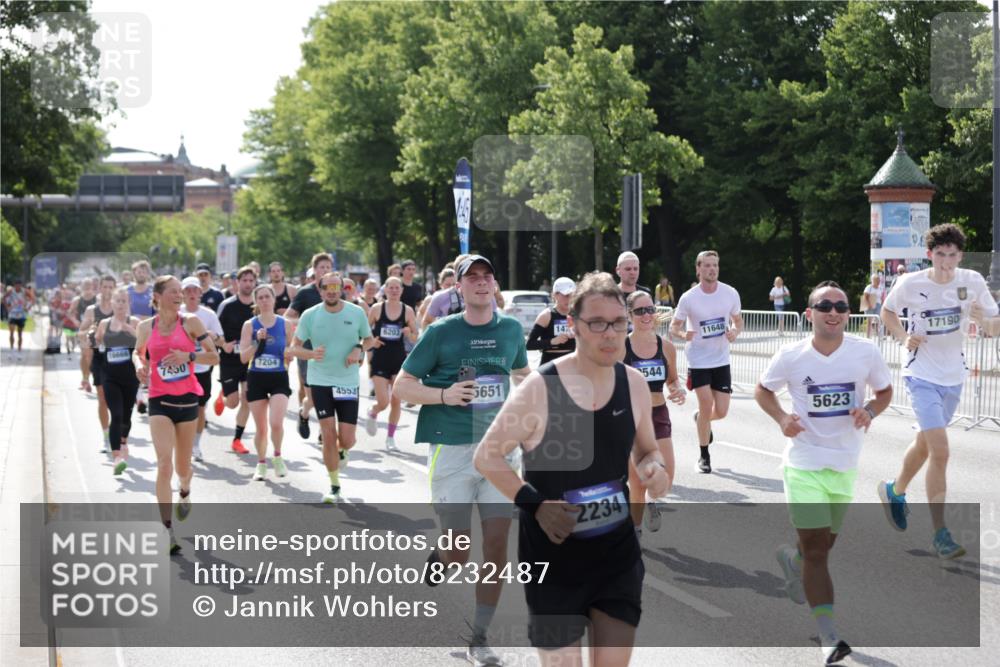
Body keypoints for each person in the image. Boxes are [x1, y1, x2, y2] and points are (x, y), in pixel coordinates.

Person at [474, 271, 670, 666]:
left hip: (616, 552)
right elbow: (488, 456)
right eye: (597, 323)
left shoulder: (632, 383)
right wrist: (537, 505)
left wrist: (656, 468)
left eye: (618, 323)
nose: (610, 334)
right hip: (553, 556)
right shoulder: (540, 389)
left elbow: (647, 449)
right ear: (573, 326)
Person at [393, 255, 529, 667]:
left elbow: (522, 376)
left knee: (496, 547)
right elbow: (402, 386)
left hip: (498, 453)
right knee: (459, 551)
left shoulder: (509, 329)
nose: (482, 283)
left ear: (494, 284)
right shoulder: (441, 332)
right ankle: (443, 557)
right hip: (451, 449)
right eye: (473, 278)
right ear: (459, 288)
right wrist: (444, 395)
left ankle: (480, 636)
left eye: (488, 276)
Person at [756, 280, 892, 666]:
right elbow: (763, 390)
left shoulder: (865, 352)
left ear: (849, 313)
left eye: (841, 306)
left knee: (821, 547)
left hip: (845, 463)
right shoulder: (791, 355)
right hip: (804, 463)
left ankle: (792, 561)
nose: (833, 312)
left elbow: (884, 392)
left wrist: (870, 410)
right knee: (818, 551)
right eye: (825, 305)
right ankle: (829, 635)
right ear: (809, 313)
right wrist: (782, 418)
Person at [878, 223, 1000, 558]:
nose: (946, 261)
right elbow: (887, 311)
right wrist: (904, 338)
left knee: (924, 444)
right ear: (930, 254)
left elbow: (995, 325)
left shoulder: (971, 282)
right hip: (920, 375)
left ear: (960, 256)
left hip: (953, 377)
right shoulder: (911, 283)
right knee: (940, 451)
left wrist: (983, 318)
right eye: (940, 254)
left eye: (952, 255)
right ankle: (941, 534)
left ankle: (894, 490)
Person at [133, 276, 218, 554]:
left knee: (182, 468)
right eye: (173, 292)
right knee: (163, 464)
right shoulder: (147, 327)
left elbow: (214, 356)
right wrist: (139, 365)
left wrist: (188, 357)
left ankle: (184, 489)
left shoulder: (190, 322)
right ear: (157, 296)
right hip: (159, 400)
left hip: (187, 401)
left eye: (181, 292)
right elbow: (138, 353)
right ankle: (166, 528)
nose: (179, 295)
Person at [289, 271, 374, 503]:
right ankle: (334, 485)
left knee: (347, 439)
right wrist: (310, 353)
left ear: (342, 290)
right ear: (320, 290)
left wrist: (359, 348)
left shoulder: (355, 313)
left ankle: (343, 450)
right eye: (328, 287)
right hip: (321, 380)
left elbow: (369, 339)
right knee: (328, 435)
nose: (332, 291)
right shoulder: (310, 315)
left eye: (336, 287)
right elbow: (293, 348)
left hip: (347, 381)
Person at [669, 250, 743, 474]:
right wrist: (683, 335)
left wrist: (734, 332)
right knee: (705, 404)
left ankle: (701, 420)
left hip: (721, 359)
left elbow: (738, 321)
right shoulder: (689, 298)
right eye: (708, 265)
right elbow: (674, 327)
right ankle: (704, 456)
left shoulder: (730, 293)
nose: (712, 269)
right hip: (698, 359)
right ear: (698, 269)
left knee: (721, 411)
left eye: (715, 265)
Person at [622, 290, 684, 534]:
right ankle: (634, 531)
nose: (647, 315)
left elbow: (673, 380)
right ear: (630, 315)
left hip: (658, 413)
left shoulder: (666, 347)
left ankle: (652, 503)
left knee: (666, 476)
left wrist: (677, 390)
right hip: (631, 419)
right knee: (636, 482)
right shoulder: (620, 347)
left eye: (650, 309)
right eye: (640, 311)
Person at [240, 284, 295, 481]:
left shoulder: (285, 324)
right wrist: (256, 342)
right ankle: (261, 463)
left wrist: (290, 354)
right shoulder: (249, 325)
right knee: (261, 427)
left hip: (279, 376)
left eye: (267, 297)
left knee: (276, 423)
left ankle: (277, 456)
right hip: (256, 377)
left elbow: (292, 349)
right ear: (256, 301)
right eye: (260, 297)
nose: (264, 300)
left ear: (274, 299)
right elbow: (243, 358)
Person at [363, 276, 418, 451]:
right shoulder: (377, 309)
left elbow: (416, 337)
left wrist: (409, 332)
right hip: (380, 358)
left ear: (402, 290)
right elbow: (364, 332)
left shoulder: (407, 311)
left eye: (397, 288)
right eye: (391, 288)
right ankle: (373, 411)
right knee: (384, 401)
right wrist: (372, 341)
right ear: (385, 290)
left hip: (398, 358)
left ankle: (390, 437)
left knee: (396, 400)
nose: (394, 291)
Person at [285, 253, 334, 440]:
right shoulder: (305, 293)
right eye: (322, 267)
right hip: (308, 350)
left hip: (332, 350)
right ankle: (304, 412)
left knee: (330, 392)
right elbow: (288, 317)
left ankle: (324, 431)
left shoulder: (337, 292)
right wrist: (308, 323)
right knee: (313, 397)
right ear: (315, 270)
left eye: (328, 267)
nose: (325, 271)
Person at [96, 287, 142, 475]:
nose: (121, 304)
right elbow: (98, 341)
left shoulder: (136, 322)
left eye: (124, 301)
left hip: (130, 377)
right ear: (112, 303)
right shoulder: (104, 323)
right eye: (118, 301)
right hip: (110, 377)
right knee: (115, 414)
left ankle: (123, 441)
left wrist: (130, 331)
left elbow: (145, 343)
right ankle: (117, 458)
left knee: (126, 416)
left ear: (128, 304)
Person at [180, 277, 225, 462]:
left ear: (200, 293)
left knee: (199, 409)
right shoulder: (176, 313)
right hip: (181, 368)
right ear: (182, 294)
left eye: (194, 290)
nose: (191, 294)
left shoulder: (209, 315)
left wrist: (212, 336)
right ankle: (182, 442)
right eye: (187, 290)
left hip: (202, 369)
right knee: (181, 408)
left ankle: (196, 444)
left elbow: (221, 340)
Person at [215, 267, 257, 454]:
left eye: (251, 280)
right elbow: (214, 334)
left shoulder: (258, 305)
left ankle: (237, 440)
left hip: (249, 360)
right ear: (237, 283)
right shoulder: (227, 305)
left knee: (247, 399)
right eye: (244, 280)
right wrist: (224, 344)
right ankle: (223, 397)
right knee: (233, 403)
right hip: (230, 360)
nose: (247, 284)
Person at [79, 276, 116, 451]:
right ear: (99, 288)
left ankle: (119, 433)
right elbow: (80, 333)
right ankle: (106, 436)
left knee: (118, 400)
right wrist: (91, 332)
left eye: (111, 287)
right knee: (102, 398)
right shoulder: (91, 310)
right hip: (99, 359)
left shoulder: (120, 308)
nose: (108, 290)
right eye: (105, 287)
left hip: (118, 359)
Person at [527, 276, 577, 366]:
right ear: (555, 295)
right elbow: (529, 344)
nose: (569, 299)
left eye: (572, 295)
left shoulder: (578, 315)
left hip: (572, 364)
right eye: (566, 295)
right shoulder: (546, 315)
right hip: (550, 364)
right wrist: (553, 341)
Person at [68, 278, 97, 391]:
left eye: (89, 285)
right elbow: (70, 312)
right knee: (85, 355)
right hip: (82, 331)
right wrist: (75, 321)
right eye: (85, 286)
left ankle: (88, 378)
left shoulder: (97, 299)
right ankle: (85, 379)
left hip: (94, 329)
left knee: (91, 355)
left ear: (92, 287)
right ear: (81, 287)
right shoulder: (77, 300)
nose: (87, 288)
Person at [4, 278, 29, 353]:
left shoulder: (24, 291)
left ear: (21, 285)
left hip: (21, 315)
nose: (18, 287)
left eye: (19, 285)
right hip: (12, 314)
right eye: (16, 285)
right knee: (11, 332)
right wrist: (7, 307)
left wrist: (27, 307)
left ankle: (19, 350)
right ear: (14, 285)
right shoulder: (11, 291)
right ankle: (11, 348)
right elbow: (3, 298)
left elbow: (33, 298)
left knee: (20, 334)